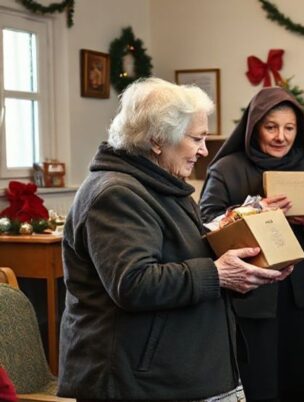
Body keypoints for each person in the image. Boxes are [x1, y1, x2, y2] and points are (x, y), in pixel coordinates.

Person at [58, 78, 291, 401]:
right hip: (136, 381)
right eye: (196, 138)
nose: (204, 150)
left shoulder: (162, 181)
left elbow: (182, 255)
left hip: (176, 372)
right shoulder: (115, 194)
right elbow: (134, 283)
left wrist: (242, 265)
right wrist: (219, 273)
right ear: (157, 140)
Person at [199, 87, 304, 402]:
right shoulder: (227, 167)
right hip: (252, 293)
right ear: (254, 126)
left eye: (289, 128)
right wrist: (255, 209)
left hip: (298, 292)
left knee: (297, 382)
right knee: (257, 382)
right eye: (271, 127)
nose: (280, 137)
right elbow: (207, 222)